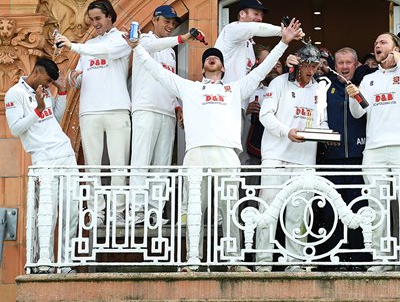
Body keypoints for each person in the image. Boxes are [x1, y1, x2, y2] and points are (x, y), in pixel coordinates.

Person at [124, 17, 303, 272]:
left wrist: (284, 43)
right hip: (196, 155)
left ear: (222, 67)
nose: (212, 58)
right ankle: (193, 261)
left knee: (230, 210)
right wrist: (136, 47)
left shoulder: (235, 89)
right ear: (203, 65)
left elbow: (263, 70)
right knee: (195, 209)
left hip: (227, 155)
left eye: (216, 57)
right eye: (208, 56)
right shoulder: (190, 88)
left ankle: (233, 261)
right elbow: (156, 71)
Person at [345, 32, 400, 272]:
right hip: (374, 149)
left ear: (395, 48)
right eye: (375, 42)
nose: (377, 45)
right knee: (377, 204)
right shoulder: (370, 79)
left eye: (382, 42)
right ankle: (381, 258)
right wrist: (353, 98)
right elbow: (359, 112)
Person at [55, 0, 131, 226]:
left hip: (117, 108)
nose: (95, 23)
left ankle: (117, 212)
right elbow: (76, 78)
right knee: (92, 166)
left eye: (98, 18)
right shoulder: (88, 46)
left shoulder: (121, 38)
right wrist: (72, 78)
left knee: (119, 164)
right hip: (90, 110)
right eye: (92, 20)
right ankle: (96, 212)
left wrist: (73, 45)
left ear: (109, 16)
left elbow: (105, 50)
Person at [255, 42, 328, 273]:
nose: (310, 69)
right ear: (297, 62)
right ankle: (263, 263)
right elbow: (265, 116)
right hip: (275, 156)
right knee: (268, 211)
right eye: (307, 64)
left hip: (304, 159)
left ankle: (295, 262)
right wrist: (286, 132)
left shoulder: (319, 89)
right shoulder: (278, 83)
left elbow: (321, 121)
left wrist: (325, 134)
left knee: (299, 213)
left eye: (314, 65)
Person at [5, 58, 78, 273]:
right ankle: (44, 264)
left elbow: (54, 116)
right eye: (47, 80)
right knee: (48, 213)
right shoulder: (14, 94)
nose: (48, 85)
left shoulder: (43, 90)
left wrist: (61, 92)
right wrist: (37, 109)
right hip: (44, 158)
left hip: (65, 153)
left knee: (71, 212)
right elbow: (16, 129)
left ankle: (66, 265)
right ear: (37, 71)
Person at [129, 5, 197, 224]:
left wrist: (177, 105)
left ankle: (154, 211)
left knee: (162, 164)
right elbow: (154, 44)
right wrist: (183, 38)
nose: (170, 26)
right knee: (141, 161)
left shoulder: (169, 52)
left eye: (173, 23)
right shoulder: (144, 40)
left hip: (166, 112)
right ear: (154, 19)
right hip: (145, 108)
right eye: (166, 21)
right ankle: (137, 210)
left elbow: (170, 84)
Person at [315, 47, 370, 270]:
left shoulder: (365, 86)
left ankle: (357, 259)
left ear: (356, 65)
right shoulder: (324, 87)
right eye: (341, 63)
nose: (345, 67)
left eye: (349, 63)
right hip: (331, 159)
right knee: (331, 210)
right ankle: (332, 259)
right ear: (334, 66)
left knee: (357, 208)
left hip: (358, 158)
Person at [215, 0, 284, 83]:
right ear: (242, 14)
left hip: (238, 94)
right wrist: (284, 31)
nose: (260, 18)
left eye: (261, 15)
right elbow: (254, 28)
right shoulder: (231, 29)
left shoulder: (249, 43)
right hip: (221, 93)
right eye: (256, 14)